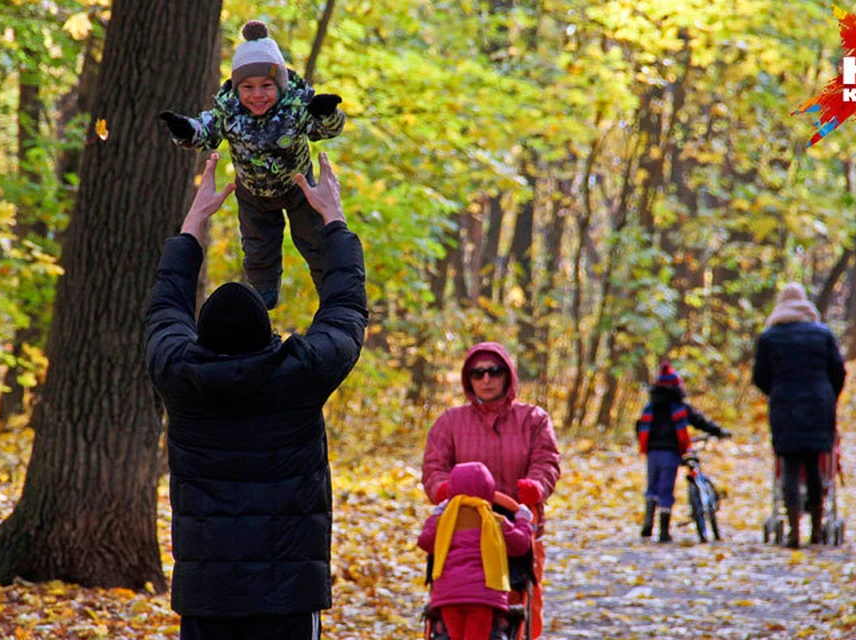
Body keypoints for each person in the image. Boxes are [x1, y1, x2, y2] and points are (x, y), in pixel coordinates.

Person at [145, 151, 367, 640]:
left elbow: (165, 306)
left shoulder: (181, 374)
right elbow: (346, 309)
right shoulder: (296, 375)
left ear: (201, 336)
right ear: (266, 332)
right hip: (288, 595)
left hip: (207, 598)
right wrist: (335, 221)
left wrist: (194, 223)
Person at [159, 19, 346, 310]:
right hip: (253, 193)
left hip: (299, 188)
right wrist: (183, 129)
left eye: (266, 86)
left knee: (316, 239)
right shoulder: (229, 112)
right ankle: (263, 293)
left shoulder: (296, 108)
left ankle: (332, 292)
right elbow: (205, 132)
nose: (257, 95)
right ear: (237, 88)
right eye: (247, 87)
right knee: (258, 246)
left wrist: (325, 113)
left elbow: (326, 131)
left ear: (280, 85)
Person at [422, 342, 560, 639]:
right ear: (468, 379)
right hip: (463, 529)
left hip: (516, 524)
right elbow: (434, 467)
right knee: (453, 600)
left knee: (522, 601)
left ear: (507, 375)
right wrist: (443, 489)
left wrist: (535, 487)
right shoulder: (450, 422)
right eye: (478, 373)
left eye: (494, 372)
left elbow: (546, 461)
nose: (486, 379)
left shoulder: (533, 419)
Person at [753, 282, 846, 549]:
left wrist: (777, 391)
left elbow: (759, 377)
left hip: (784, 405)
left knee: (790, 467)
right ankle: (816, 530)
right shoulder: (822, 334)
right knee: (815, 466)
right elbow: (838, 371)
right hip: (819, 404)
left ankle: (793, 530)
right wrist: (829, 396)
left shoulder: (770, 337)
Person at [417, 462, 534, 640]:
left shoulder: (443, 522)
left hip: (448, 596)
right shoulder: (495, 521)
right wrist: (523, 520)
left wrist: (435, 515)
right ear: (489, 491)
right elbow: (520, 545)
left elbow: (425, 542)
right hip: (483, 597)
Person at [636, 361, 731, 543]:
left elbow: (639, 426)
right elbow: (700, 421)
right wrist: (719, 431)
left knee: (652, 486)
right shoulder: (680, 408)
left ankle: (648, 522)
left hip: (652, 453)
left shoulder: (650, 408)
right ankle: (664, 531)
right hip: (671, 453)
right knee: (666, 488)